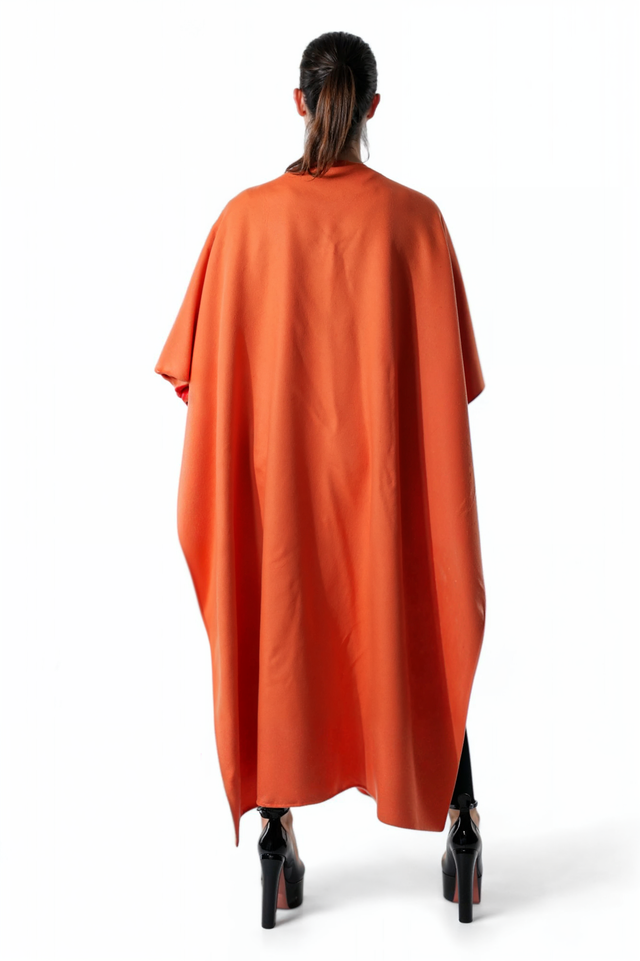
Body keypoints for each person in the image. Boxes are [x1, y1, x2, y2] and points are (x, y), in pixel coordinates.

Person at [154, 30, 486, 928]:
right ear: (373, 107)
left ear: (299, 102)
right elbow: (450, 383)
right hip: (383, 493)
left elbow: (202, 377)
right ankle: (463, 823)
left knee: (281, 630)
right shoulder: (417, 222)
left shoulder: (244, 222)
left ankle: (275, 835)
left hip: (285, 494)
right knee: (419, 622)